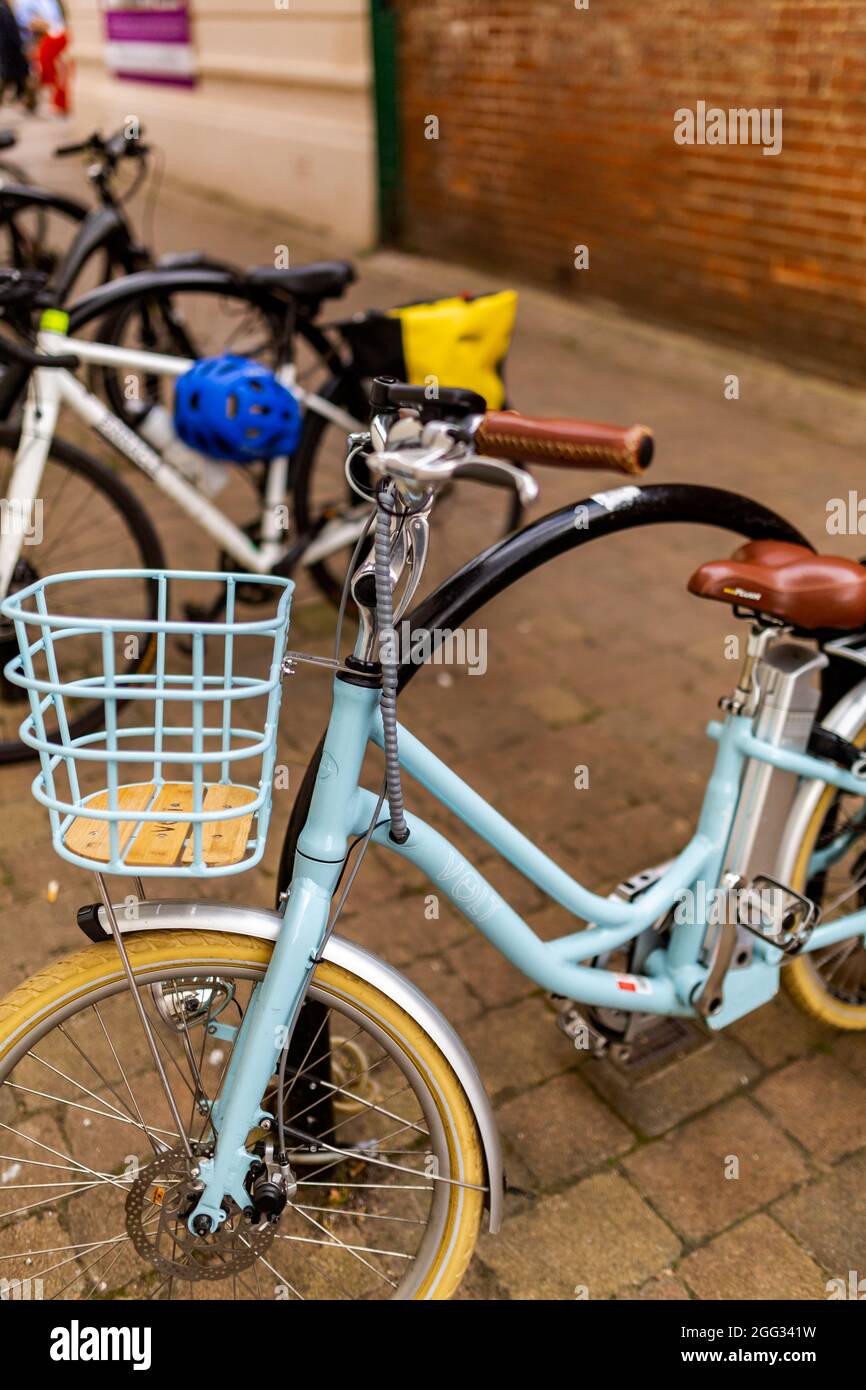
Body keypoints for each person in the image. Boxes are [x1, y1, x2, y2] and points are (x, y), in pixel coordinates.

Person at [15, 0, 68, 115]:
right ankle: (31, 101)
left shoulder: (51, 2)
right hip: (34, 40)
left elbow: (55, 21)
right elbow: (25, 21)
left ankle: (48, 101)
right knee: (36, 72)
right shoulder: (26, 3)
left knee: (51, 72)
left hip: (51, 38)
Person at [0, 0, 30, 106]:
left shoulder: (5, 9)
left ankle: (24, 99)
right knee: (7, 76)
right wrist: (20, 45)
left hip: (9, 50)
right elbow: (10, 32)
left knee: (12, 76)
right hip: (9, 50)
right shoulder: (3, 9)